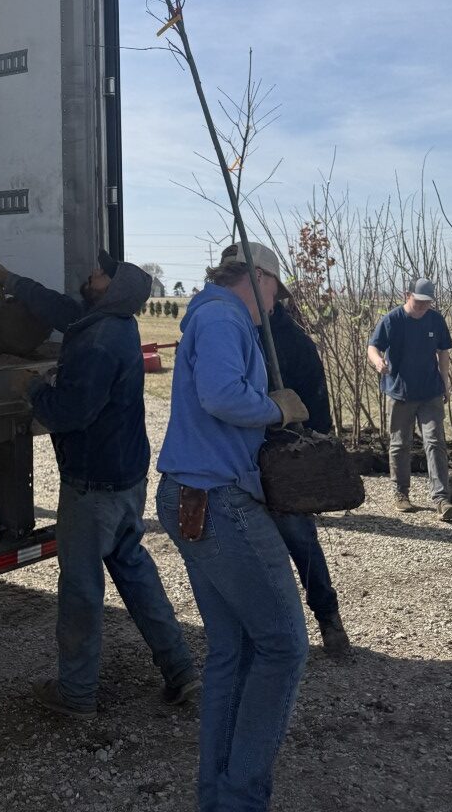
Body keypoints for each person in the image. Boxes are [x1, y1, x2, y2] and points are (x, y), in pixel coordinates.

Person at [0, 250, 198, 719]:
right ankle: (182, 670)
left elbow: (70, 413)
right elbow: (57, 306)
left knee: (81, 590)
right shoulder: (109, 323)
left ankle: (77, 692)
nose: (93, 274)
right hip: (124, 477)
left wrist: (32, 387)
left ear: (113, 290)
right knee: (135, 572)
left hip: (93, 483)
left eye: (102, 274)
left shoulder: (99, 341)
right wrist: (10, 279)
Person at [156, 242, 309, 812]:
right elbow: (221, 395)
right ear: (258, 277)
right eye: (276, 290)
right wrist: (277, 408)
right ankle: (240, 799)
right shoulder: (223, 315)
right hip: (218, 500)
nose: (277, 303)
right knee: (284, 646)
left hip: (194, 494)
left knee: (234, 648)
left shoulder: (208, 312)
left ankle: (219, 797)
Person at [267, 295, 350, 656]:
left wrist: (314, 452)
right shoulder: (234, 333)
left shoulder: (293, 342)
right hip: (240, 455)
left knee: (300, 538)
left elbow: (317, 402)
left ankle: (328, 617)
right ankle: (269, 628)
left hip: (287, 456)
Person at [368, 277, 452, 521]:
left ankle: (442, 499)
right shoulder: (392, 320)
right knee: (400, 444)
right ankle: (401, 493)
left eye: (427, 302)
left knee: (435, 441)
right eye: (419, 301)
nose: (423, 306)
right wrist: (378, 362)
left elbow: (443, 351)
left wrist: (445, 382)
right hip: (400, 392)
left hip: (430, 392)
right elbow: (373, 347)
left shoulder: (435, 320)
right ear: (407, 295)